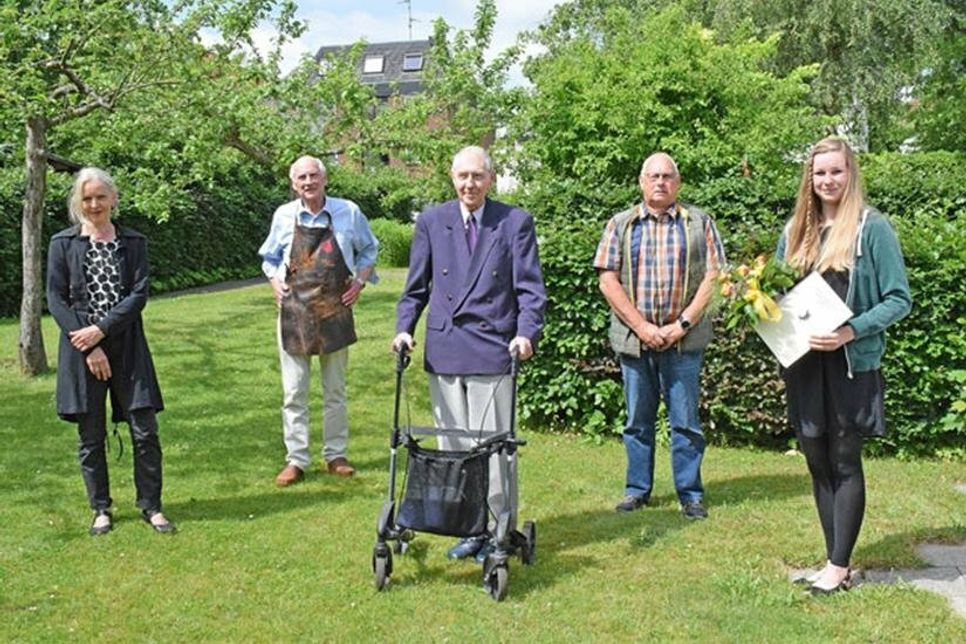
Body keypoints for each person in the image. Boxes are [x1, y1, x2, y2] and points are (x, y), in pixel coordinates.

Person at [393, 146, 546, 562]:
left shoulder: (514, 222)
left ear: (490, 179)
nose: (469, 184)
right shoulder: (431, 221)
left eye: (477, 176)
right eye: (462, 176)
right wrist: (404, 329)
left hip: (493, 349)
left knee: (494, 449)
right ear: (451, 177)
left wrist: (525, 334)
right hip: (444, 351)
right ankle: (468, 528)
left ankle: (498, 531)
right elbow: (416, 287)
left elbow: (530, 291)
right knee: (455, 450)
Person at [777, 137, 911, 595]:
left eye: (836, 171)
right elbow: (778, 292)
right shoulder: (797, 228)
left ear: (850, 173)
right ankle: (834, 561)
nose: (828, 180)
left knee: (844, 459)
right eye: (819, 173)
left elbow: (899, 298)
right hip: (804, 365)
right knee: (816, 458)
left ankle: (839, 565)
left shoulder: (872, 229)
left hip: (850, 365)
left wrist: (850, 331)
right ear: (808, 179)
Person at [594, 153, 725, 520]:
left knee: (685, 421)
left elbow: (713, 277)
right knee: (638, 420)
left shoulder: (700, 223)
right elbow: (607, 280)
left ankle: (690, 493)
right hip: (636, 340)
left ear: (678, 183)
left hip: (684, 340)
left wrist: (680, 325)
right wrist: (643, 327)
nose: (660, 182)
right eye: (653, 176)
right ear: (641, 181)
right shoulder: (620, 224)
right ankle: (637, 491)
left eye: (667, 176)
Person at [46, 167, 173, 536]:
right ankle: (101, 508)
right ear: (78, 203)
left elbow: (138, 294)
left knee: (145, 430)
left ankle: (151, 506)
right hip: (80, 350)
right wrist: (88, 344)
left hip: (128, 346)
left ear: (113, 199)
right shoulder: (62, 243)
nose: (94, 204)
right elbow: (56, 298)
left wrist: (101, 330)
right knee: (90, 434)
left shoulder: (133, 242)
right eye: (87, 198)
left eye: (101, 196)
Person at [259, 155, 379, 486]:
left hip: (335, 310)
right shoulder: (284, 215)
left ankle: (335, 454)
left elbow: (369, 250)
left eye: (313, 176)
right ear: (293, 184)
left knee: (335, 390)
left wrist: (359, 281)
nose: (308, 183)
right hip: (294, 312)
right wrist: (274, 282)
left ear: (324, 179)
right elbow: (269, 257)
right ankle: (296, 459)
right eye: (301, 178)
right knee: (294, 392)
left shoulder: (349, 212)